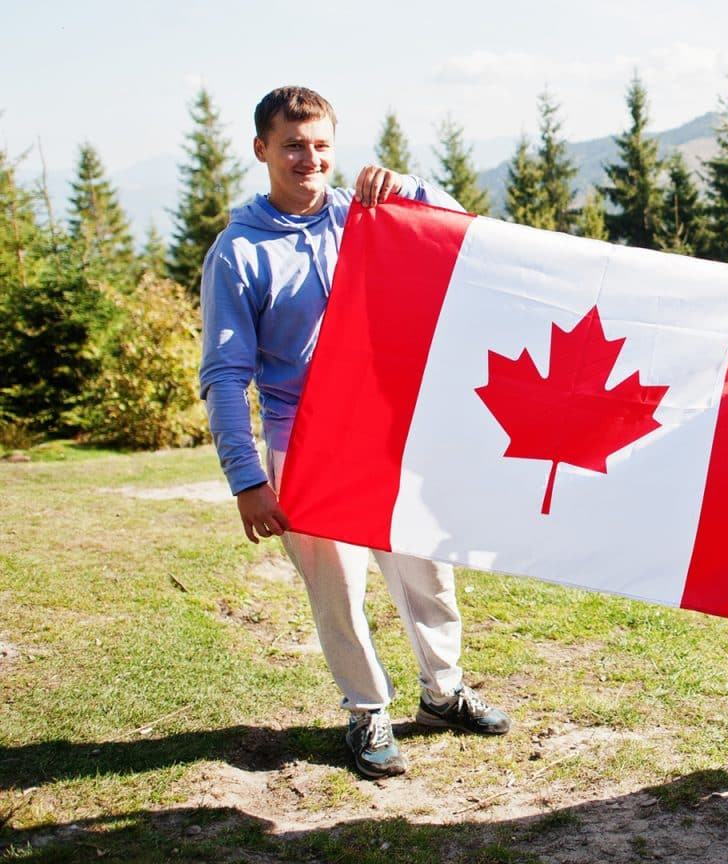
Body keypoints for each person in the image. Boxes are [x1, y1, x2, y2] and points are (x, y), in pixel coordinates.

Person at [199, 86, 510, 780]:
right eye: (292, 145)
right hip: (303, 444)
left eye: (319, 146)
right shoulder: (239, 252)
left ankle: (444, 694)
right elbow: (224, 376)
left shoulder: (368, 215)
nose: (308, 158)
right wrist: (248, 480)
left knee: (427, 573)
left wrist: (411, 188)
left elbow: (467, 235)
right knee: (337, 588)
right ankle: (367, 709)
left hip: (391, 433)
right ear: (262, 151)